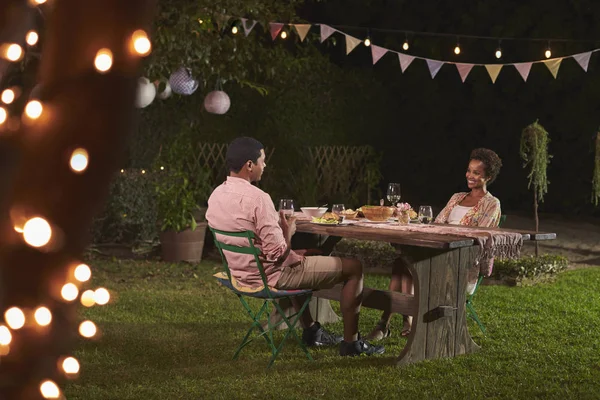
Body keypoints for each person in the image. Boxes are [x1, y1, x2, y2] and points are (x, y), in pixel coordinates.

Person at [206, 137, 384, 357]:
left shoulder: (216, 195)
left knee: (304, 256)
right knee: (354, 267)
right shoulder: (258, 199)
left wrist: (292, 252)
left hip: (241, 276)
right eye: (262, 161)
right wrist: (287, 233)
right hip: (271, 278)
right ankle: (351, 344)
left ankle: (311, 331)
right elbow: (278, 255)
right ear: (249, 165)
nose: (265, 166)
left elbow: (257, 246)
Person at [366, 148, 503, 341]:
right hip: (438, 252)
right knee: (403, 263)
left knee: (405, 264)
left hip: (461, 263)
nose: (469, 176)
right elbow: (436, 223)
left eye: (476, 173)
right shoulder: (457, 197)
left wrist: (444, 232)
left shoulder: (492, 204)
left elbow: (477, 236)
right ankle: (400, 322)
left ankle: (390, 323)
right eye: (469, 170)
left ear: (488, 176)